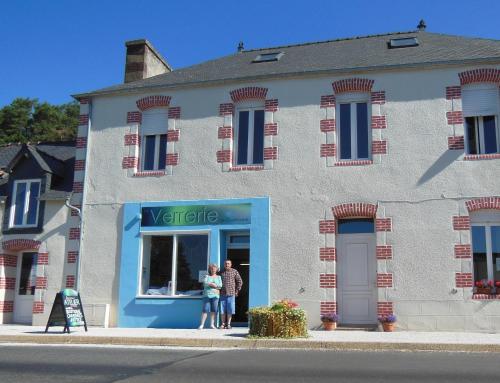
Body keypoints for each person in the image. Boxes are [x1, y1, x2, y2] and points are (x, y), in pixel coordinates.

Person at [219, 259, 243, 329]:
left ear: (231, 264)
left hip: (231, 294)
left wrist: (237, 291)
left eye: (228, 263)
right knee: (222, 309)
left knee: (230, 309)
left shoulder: (234, 271)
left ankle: (228, 324)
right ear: (224, 264)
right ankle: (223, 324)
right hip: (222, 294)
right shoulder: (221, 272)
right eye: (226, 263)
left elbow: (240, 281)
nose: (227, 265)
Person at [198, 263, 222, 329]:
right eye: (212, 269)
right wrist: (213, 285)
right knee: (205, 309)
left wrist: (212, 285)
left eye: (214, 268)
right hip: (207, 295)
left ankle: (212, 325)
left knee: (214, 310)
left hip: (216, 296)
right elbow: (205, 283)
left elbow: (220, 286)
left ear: (217, 269)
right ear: (210, 269)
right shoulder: (207, 276)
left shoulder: (219, 277)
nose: (213, 270)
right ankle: (202, 325)